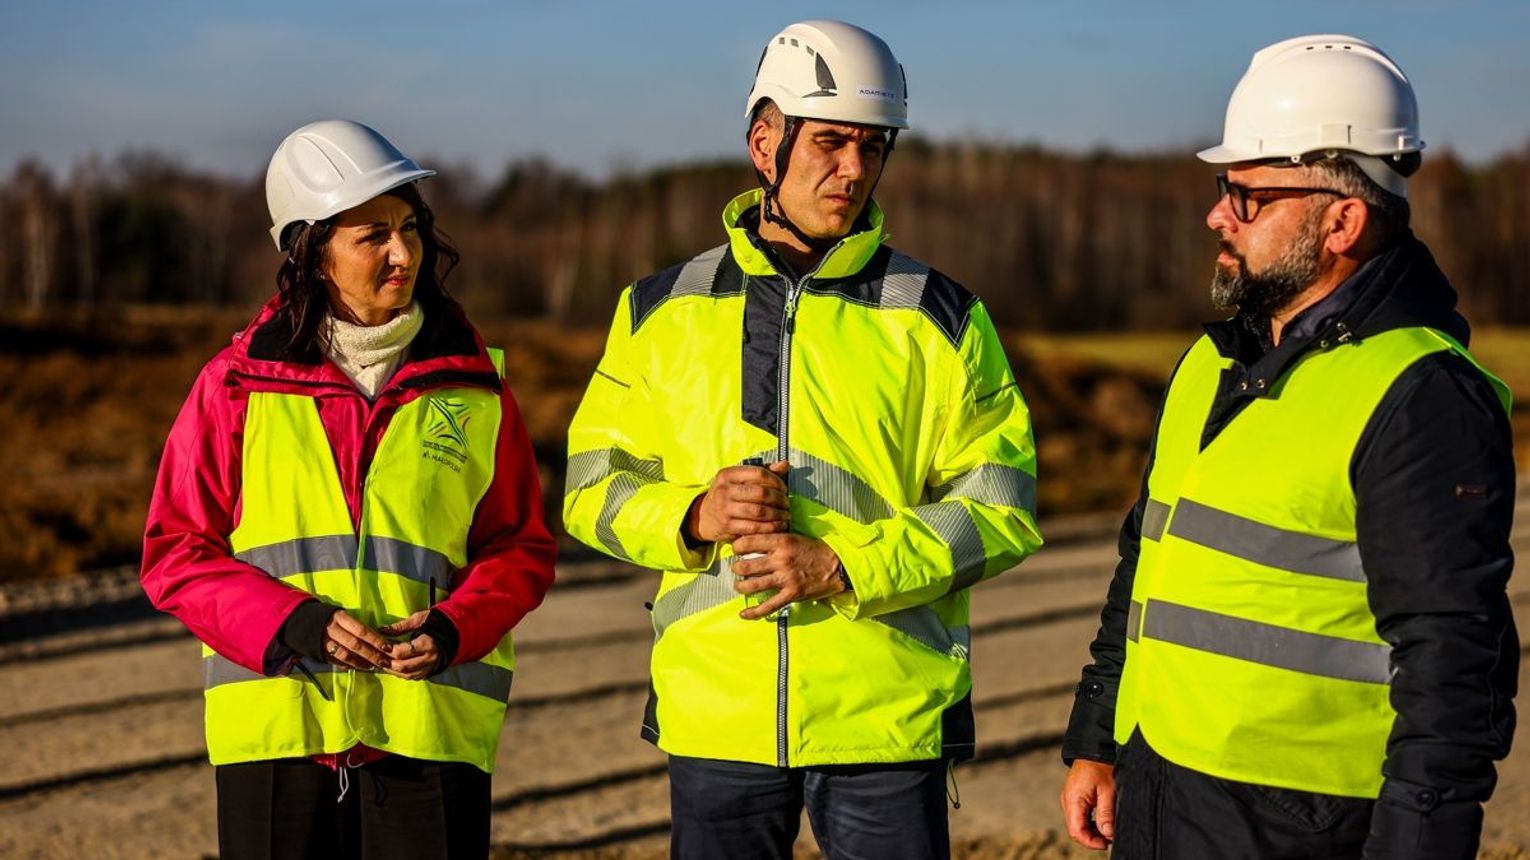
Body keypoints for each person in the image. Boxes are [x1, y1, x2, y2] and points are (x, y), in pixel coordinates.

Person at [563, 19, 1042, 860]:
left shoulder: (942, 317)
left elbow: (1002, 506)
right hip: (717, 723)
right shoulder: (658, 310)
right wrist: (691, 517)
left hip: (886, 722)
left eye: (872, 147)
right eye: (830, 142)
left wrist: (847, 566)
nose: (853, 169)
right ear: (764, 143)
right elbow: (590, 488)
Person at [1059, 35, 1518, 860]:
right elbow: (1146, 561)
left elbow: (1454, 667)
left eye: (1248, 197)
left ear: (1342, 221)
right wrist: (1099, 735)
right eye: (1223, 190)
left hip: (1299, 826)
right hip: (1161, 783)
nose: (1217, 216)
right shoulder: (1212, 362)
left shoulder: (1420, 394)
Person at [140, 119, 557, 860]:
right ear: (312, 254)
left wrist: (454, 629)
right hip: (280, 734)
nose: (404, 253)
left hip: (428, 734)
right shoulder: (234, 387)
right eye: (373, 236)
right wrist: (293, 624)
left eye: (410, 228)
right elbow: (176, 552)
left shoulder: (477, 390)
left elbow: (520, 547)